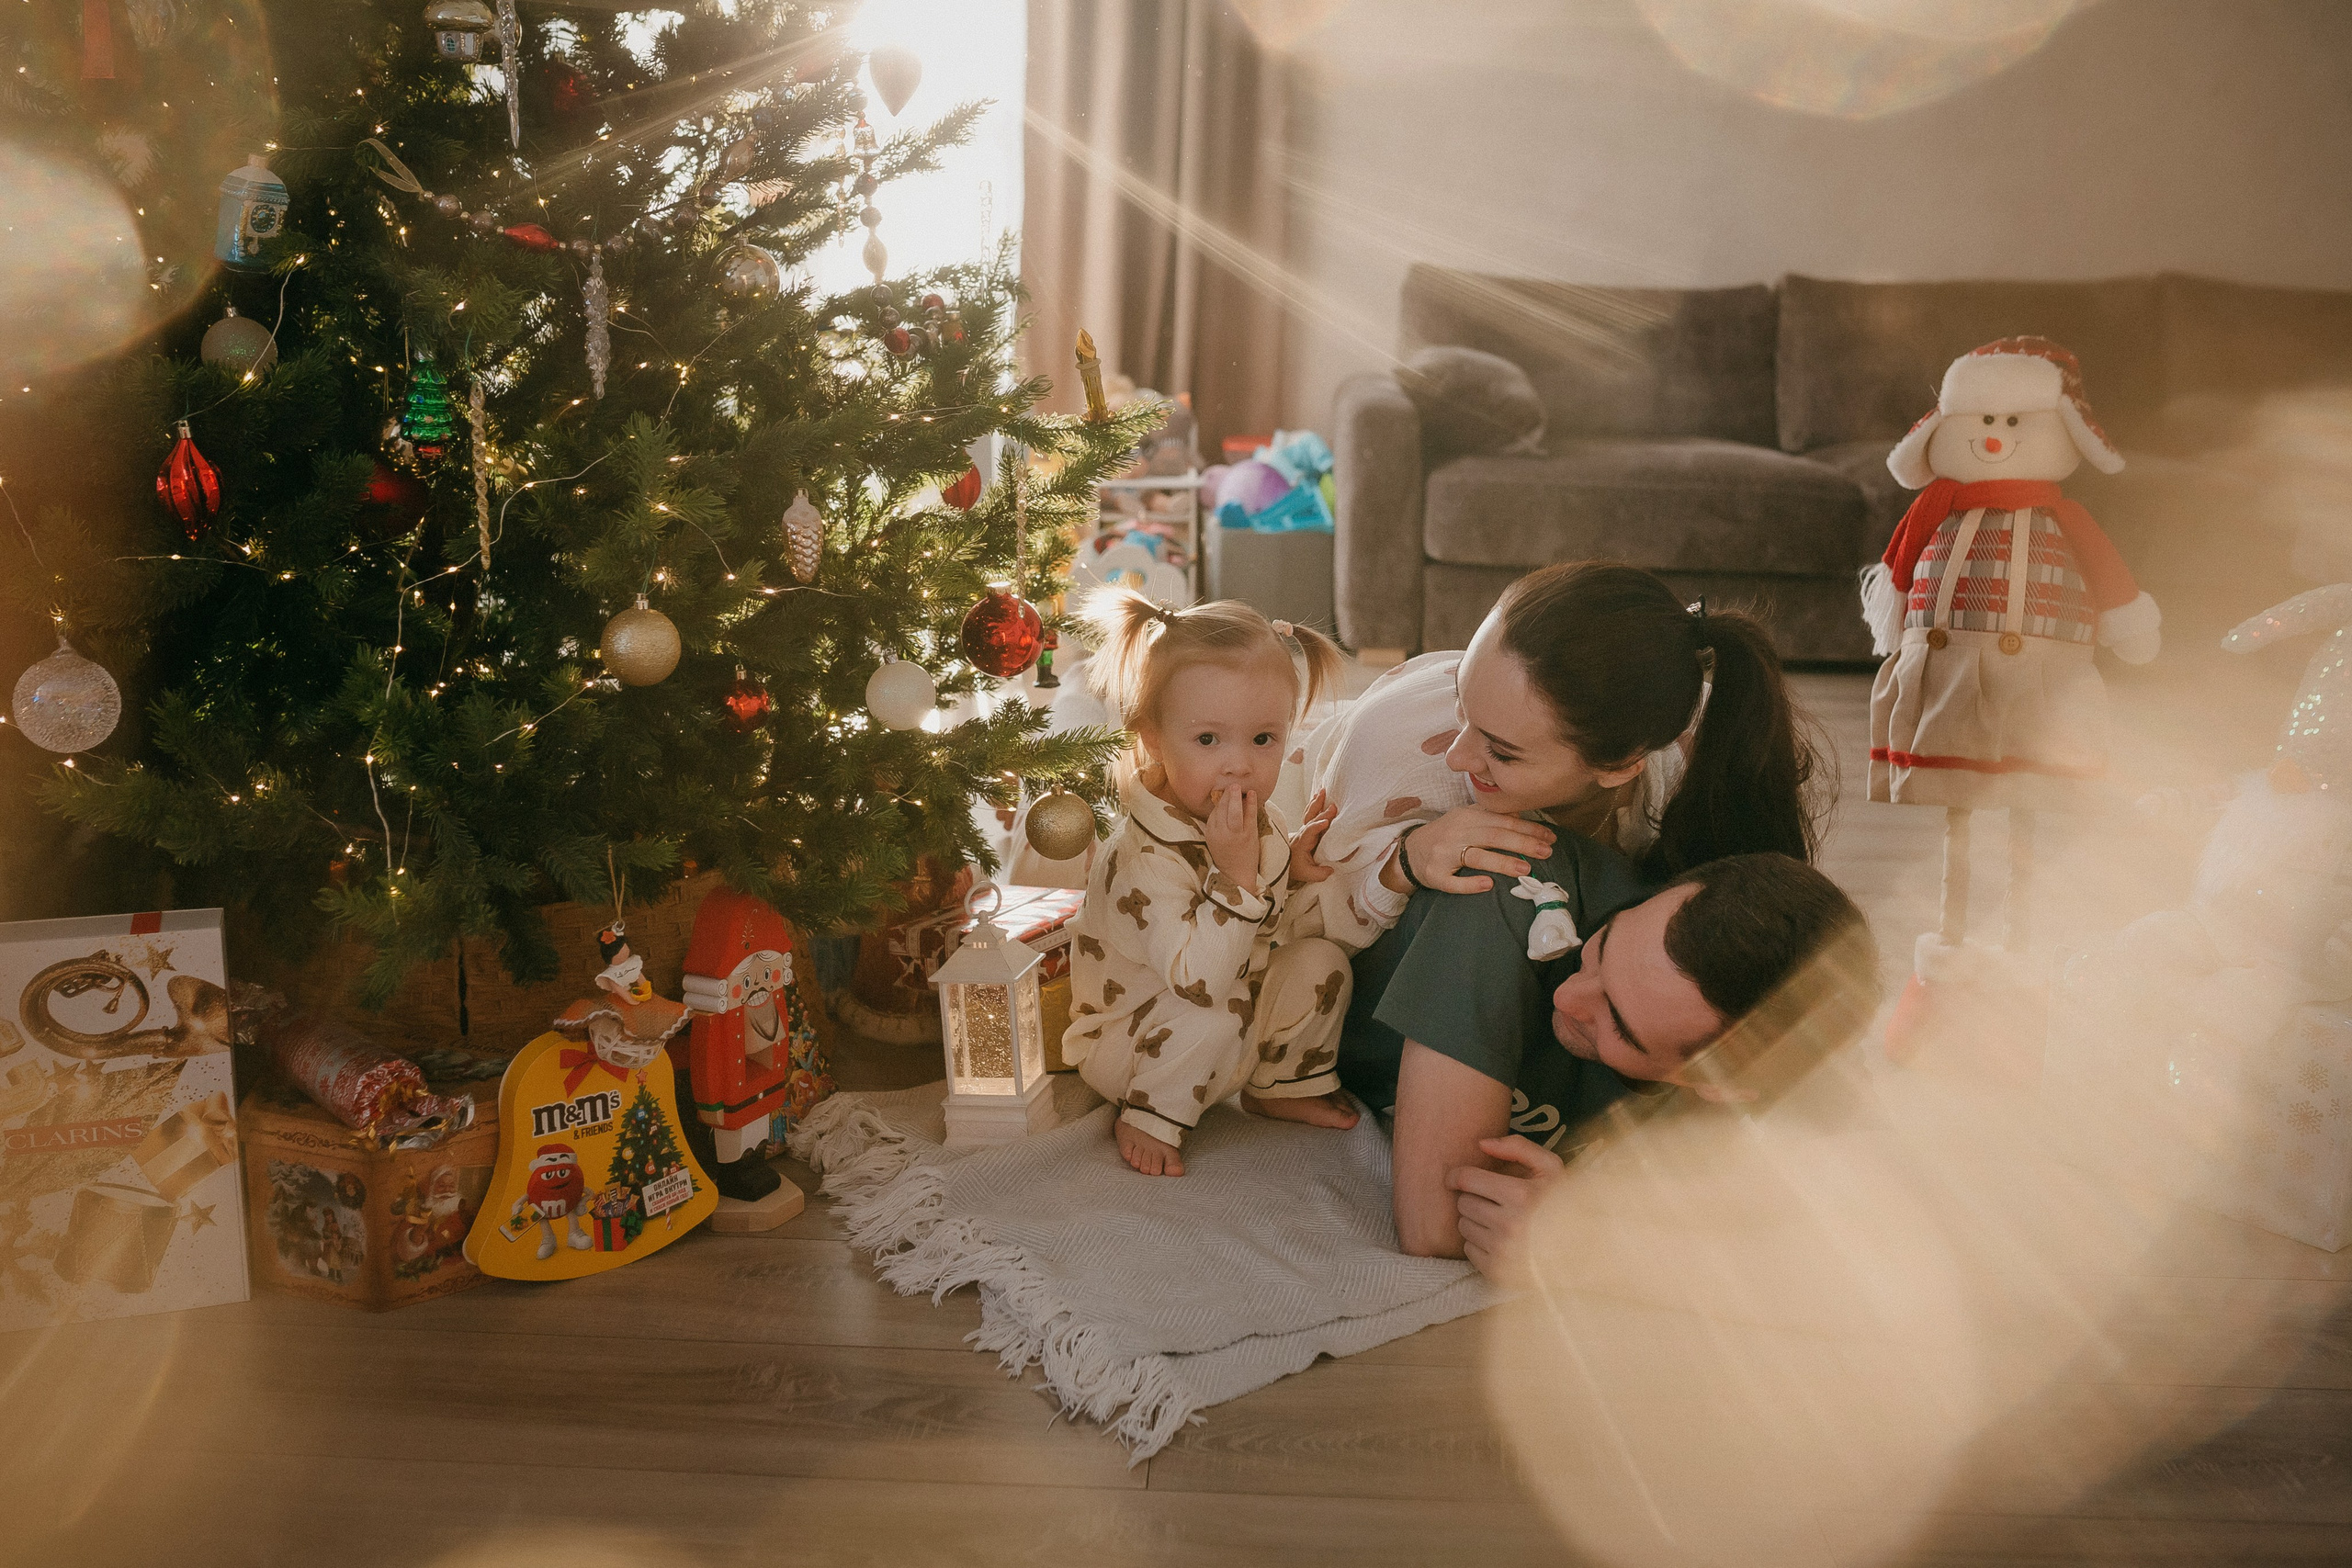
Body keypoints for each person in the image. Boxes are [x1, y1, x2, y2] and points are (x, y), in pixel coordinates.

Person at [1338, 849, 1879, 1280]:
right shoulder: (1512, 888)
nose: (1569, 996)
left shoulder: (1790, 1079)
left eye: (1618, 1024)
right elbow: (1437, 1224)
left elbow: (1845, 1267)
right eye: (1600, 949)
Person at [1293, 560, 1825, 955]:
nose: (1459, 756)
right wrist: (1403, 862)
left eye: (1502, 752)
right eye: (1463, 702)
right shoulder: (1398, 752)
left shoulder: (1694, 747)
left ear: (1621, 765)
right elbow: (1302, 921)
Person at [1060, 590, 1355, 1177]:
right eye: (1207, 740)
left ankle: (1281, 1083)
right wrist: (1238, 875)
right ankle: (1148, 1116)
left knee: (1321, 961)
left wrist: (1285, 870)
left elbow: (1263, 929)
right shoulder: (1143, 859)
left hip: (1233, 1016)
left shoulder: (1243, 817)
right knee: (1211, 1018)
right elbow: (1200, 984)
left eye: (1263, 739)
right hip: (1138, 1042)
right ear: (1151, 739)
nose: (1239, 765)